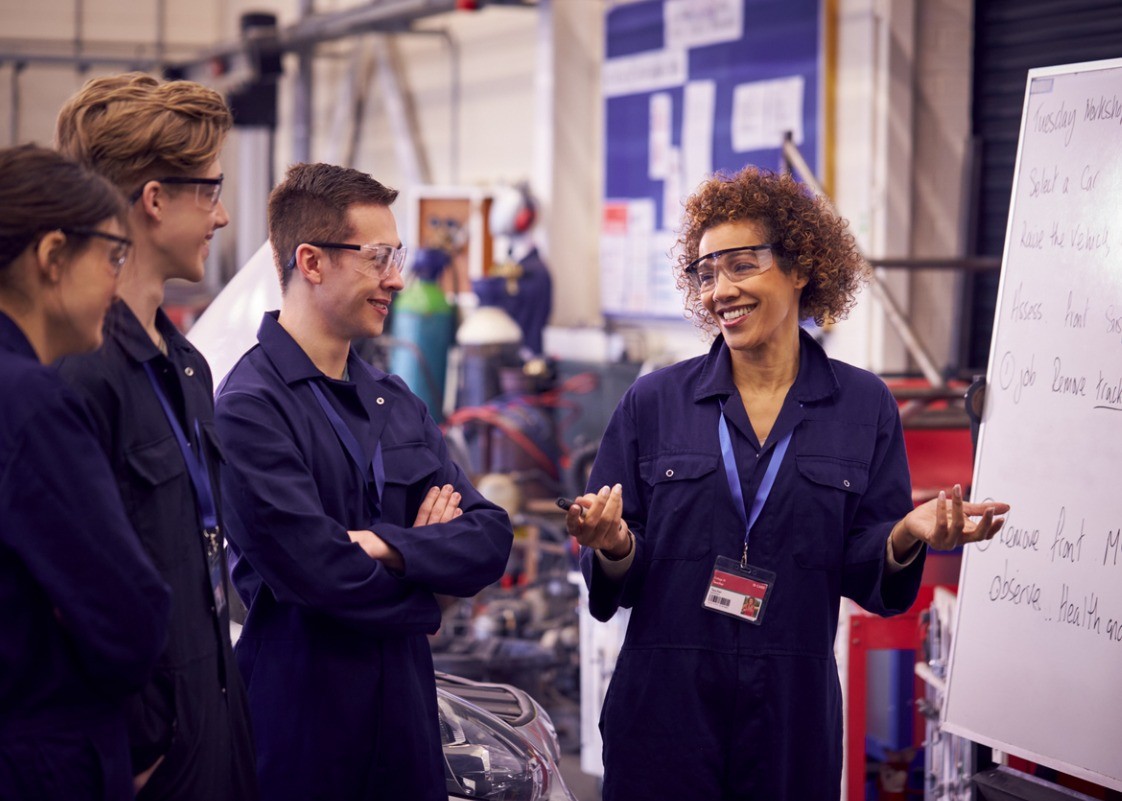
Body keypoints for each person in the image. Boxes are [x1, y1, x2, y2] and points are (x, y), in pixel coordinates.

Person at [565, 166, 1010, 800]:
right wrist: (609, 543)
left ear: (801, 267)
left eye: (742, 265)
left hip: (790, 715)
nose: (721, 289)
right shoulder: (654, 402)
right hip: (666, 707)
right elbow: (622, 578)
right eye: (707, 272)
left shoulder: (864, 406)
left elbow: (865, 574)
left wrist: (907, 534)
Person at [214, 162, 514, 801]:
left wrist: (382, 545)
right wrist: (431, 593)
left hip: (404, 725)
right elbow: (318, 572)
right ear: (312, 262)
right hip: (300, 732)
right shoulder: (250, 407)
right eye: (378, 258)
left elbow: (490, 535)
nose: (397, 279)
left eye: (396, 256)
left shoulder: (395, 399)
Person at [54, 73, 258, 800]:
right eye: (209, 190)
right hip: (147, 758)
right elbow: (69, 587)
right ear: (153, 199)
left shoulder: (187, 366)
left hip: (214, 730)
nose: (223, 214)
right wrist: (139, 740)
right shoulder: (81, 373)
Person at [0, 145, 171, 799]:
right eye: (112, 254)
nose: (116, 280)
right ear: (51, 256)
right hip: (42, 758)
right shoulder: (31, 405)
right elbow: (130, 614)